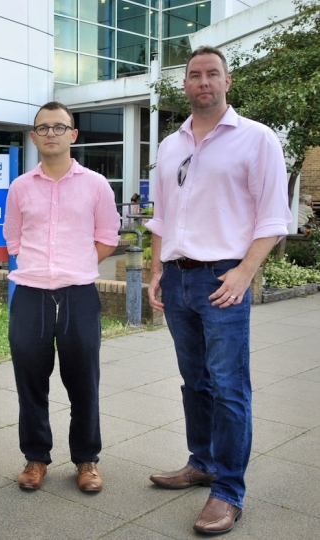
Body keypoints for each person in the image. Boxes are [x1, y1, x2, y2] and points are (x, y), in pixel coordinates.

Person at [145, 46, 291, 535]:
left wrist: (244, 272)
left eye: (212, 74)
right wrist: (156, 270)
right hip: (178, 278)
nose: (202, 81)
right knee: (195, 382)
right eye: (194, 75)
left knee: (229, 387)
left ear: (228, 82)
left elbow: (273, 218)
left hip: (223, 278)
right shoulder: (171, 145)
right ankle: (202, 461)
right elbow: (161, 216)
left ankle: (227, 490)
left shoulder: (256, 139)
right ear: (184, 85)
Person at [3, 101, 120, 494]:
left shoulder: (96, 184)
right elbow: (13, 238)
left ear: (73, 134)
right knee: (30, 383)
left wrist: (77, 263)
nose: (51, 133)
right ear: (34, 137)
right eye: (43, 128)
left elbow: (107, 238)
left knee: (83, 381)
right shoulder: (20, 187)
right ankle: (36, 458)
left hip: (78, 296)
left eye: (59, 127)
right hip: (31, 297)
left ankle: (87, 460)